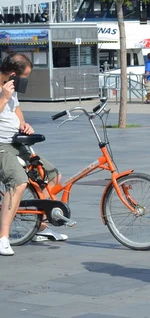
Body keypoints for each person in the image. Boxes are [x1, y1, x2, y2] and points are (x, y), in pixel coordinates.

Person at [0, 54, 67, 256]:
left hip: (18, 141)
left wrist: (23, 124)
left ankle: (40, 228)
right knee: (18, 182)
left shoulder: (12, 86)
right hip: (1, 145)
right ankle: (3, 237)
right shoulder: (5, 89)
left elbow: (16, 109)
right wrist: (3, 97)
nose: (25, 81)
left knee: (53, 175)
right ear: (13, 74)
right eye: (25, 76)